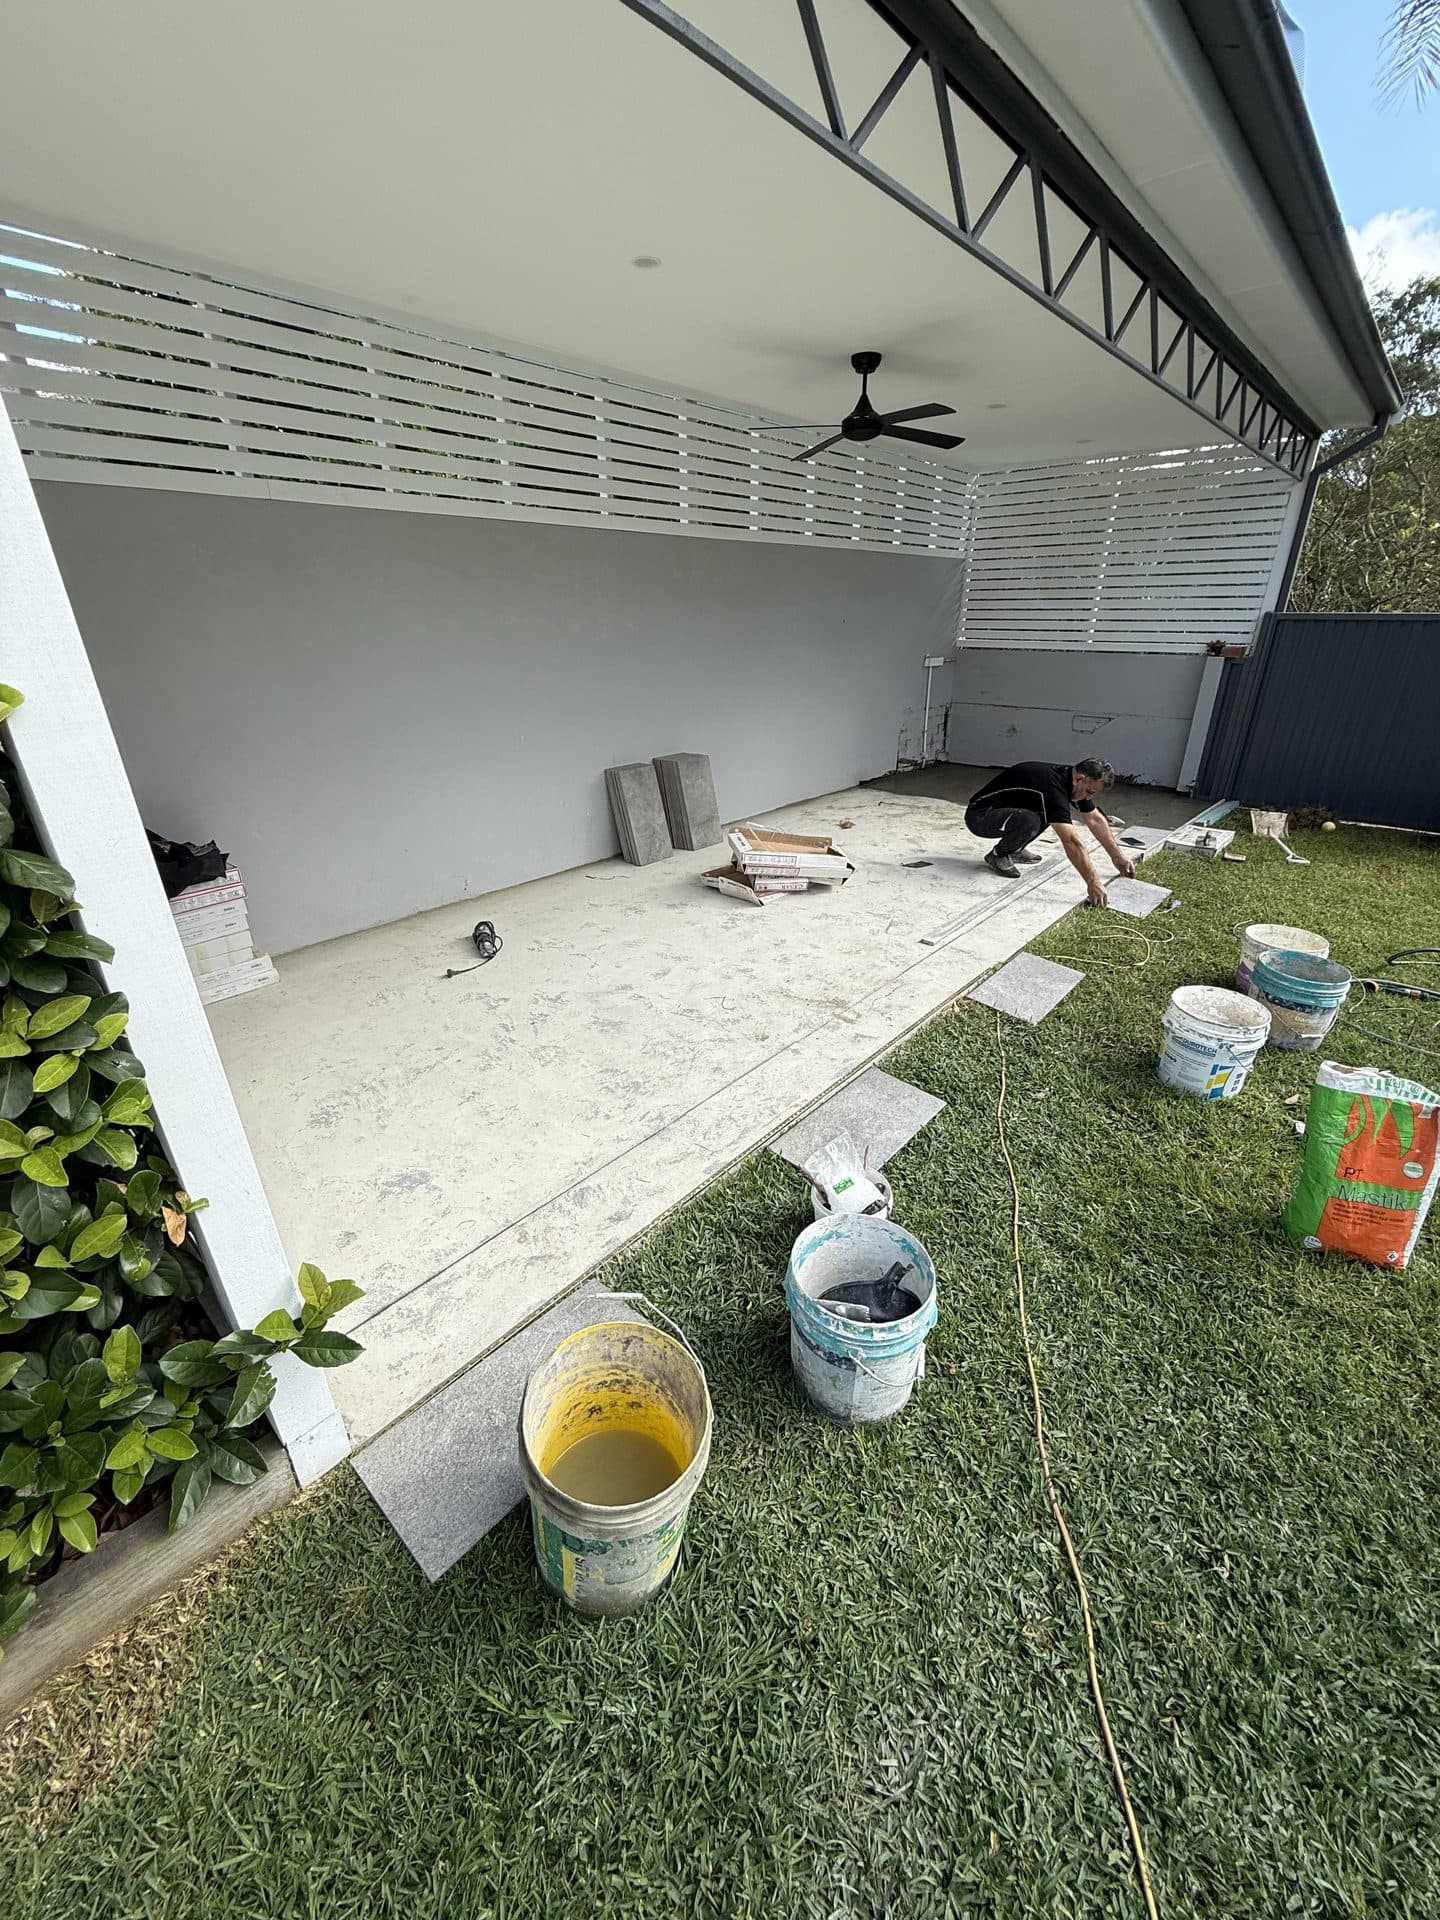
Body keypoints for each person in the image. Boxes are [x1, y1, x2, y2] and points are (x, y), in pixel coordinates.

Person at [964, 756, 1135, 908]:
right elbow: (1071, 841)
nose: (1089, 798)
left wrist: (1117, 856)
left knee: (1047, 814)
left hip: (1010, 811)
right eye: (1090, 792)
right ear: (1080, 779)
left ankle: (1015, 848)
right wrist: (1093, 882)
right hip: (980, 816)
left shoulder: (1073, 782)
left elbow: (1095, 820)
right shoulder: (1052, 787)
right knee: (1031, 820)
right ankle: (998, 855)